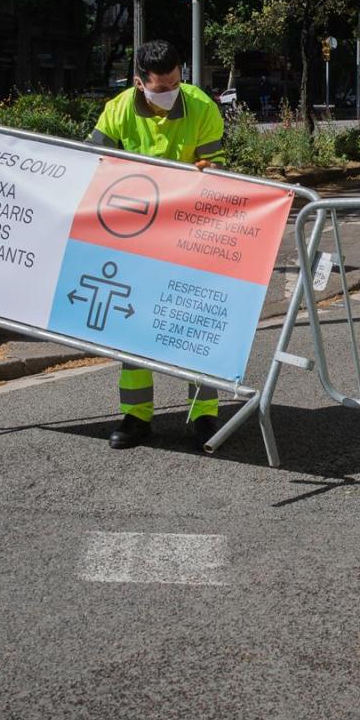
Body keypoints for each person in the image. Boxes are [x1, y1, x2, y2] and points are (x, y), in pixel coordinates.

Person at [87, 39, 226, 450]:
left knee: (193, 322)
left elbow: (215, 169)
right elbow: (95, 162)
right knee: (132, 325)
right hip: (134, 233)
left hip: (189, 230)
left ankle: (203, 417)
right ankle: (136, 417)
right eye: (160, 86)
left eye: (175, 82)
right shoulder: (117, 110)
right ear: (139, 83)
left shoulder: (201, 106)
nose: (169, 91)